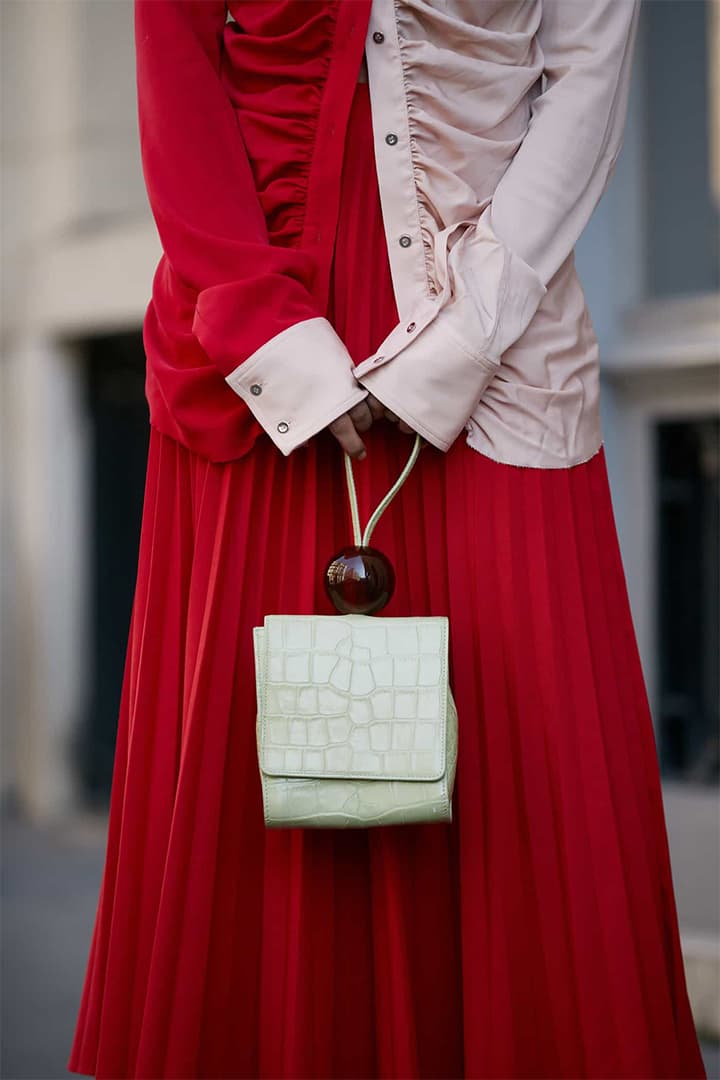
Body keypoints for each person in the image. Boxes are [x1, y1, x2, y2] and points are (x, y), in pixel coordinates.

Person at [67, 1, 707, 1077]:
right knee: (265, 805)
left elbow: (586, 81)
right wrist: (277, 341)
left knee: (528, 794)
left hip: (498, 336)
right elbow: (178, 70)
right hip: (257, 334)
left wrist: (458, 342)